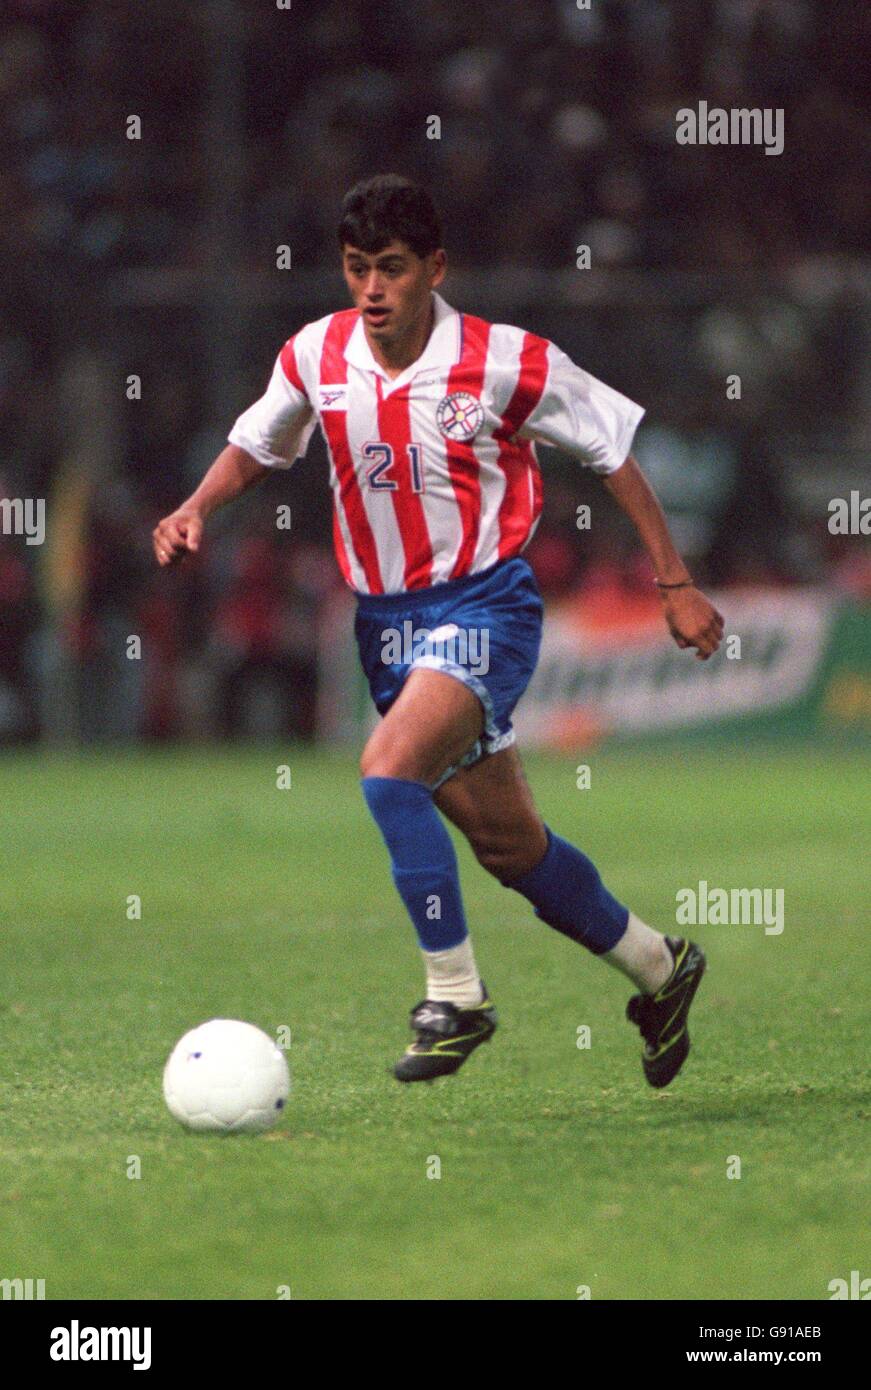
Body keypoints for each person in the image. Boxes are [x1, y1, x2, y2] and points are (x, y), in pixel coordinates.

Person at [153, 175, 724, 1087]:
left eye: (391, 269)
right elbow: (261, 442)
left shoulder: (506, 362)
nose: (371, 289)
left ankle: (453, 996)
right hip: (384, 627)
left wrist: (674, 581)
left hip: (483, 606)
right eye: (355, 269)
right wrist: (194, 508)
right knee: (510, 849)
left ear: (435, 269)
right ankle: (662, 968)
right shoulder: (315, 354)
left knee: (387, 769)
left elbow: (612, 452)